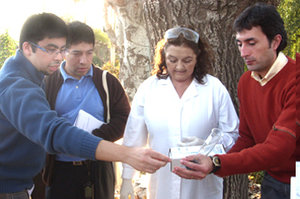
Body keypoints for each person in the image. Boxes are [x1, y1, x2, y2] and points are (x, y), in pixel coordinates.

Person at [0, 13, 170, 199]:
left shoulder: (33, 74)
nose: (58, 57)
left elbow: (122, 118)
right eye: (51, 49)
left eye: (62, 50)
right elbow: (53, 131)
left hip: (27, 183)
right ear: (27, 48)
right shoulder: (17, 86)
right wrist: (126, 154)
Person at [172, 3, 297, 199]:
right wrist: (212, 159)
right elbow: (247, 138)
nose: (243, 52)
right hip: (273, 181)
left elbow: (279, 149)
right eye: (240, 43)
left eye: (251, 43)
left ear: (275, 42)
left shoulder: (295, 80)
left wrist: (216, 164)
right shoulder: (246, 82)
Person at [119, 26, 239, 199]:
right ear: (163, 58)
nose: (180, 67)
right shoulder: (149, 88)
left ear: (198, 58)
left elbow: (232, 133)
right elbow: (133, 136)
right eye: (172, 60)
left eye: (187, 60)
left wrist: (210, 149)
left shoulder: (214, 89)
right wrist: (127, 178)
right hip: (162, 186)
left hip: (202, 189)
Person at [41, 21, 130, 199]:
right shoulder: (47, 83)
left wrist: (93, 139)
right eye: (76, 54)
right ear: (63, 52)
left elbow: (124, 119)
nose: (84, 60)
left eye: (89, 53)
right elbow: (40, 125)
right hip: (60, 171)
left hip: (98, 168)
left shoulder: (107, 82)